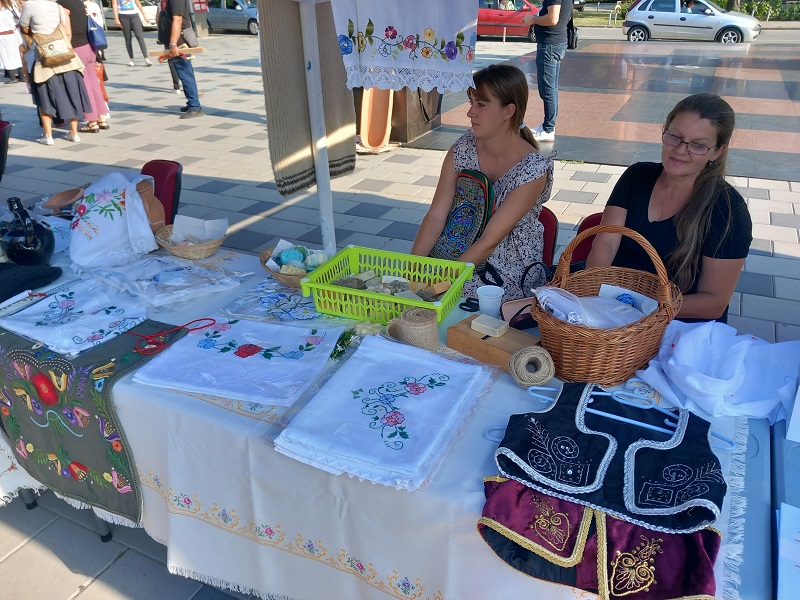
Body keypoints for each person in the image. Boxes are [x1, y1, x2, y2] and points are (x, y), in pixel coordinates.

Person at [585, 93, 752, 324]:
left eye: (698, 145)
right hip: (613, 312)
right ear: (664, 131)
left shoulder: (728, 209)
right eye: (675, 137)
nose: (681, 150)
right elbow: (605, 243)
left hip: (678, 326)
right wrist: (596, 295)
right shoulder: (637, 176)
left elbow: (713, 304)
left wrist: (639, 306)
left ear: (717, 151)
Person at [411, 64, 554, 302]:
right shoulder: (463, 148)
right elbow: (436, 216)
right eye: (471, 103)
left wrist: (439, 283)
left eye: (481, 105)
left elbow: (490, 241)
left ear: (508, 111)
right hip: (458, 251)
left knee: (443, 303)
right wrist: (411, 270)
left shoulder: (533, 170)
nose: (470, 113)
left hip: (508, 270)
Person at [19, 0, 92, 145]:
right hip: (65, 57)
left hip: (43, 58)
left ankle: (48, 136)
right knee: (72, 94)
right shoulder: (58, 7)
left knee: (44, 97)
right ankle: (74, 132)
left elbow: (23, 27)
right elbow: (67, 32)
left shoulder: (30, 5)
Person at [522, 0, 572, 143]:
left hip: (550, 45)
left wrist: (533, 19)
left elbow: (552, 18)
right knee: (551, 89)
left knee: (547, 90)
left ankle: (548, 129)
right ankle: (548, 126)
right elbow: (566, 16)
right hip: (557, 42)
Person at [57, 0, 109, 132]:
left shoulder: (62, 4)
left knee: (85, 85)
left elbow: (67, 30)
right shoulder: (79, 2)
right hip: (89, 46)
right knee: (94, 83)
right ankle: (101, 117)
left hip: (77, 47)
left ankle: (92, 121)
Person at [158, 0, 202, 118]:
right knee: (183, 73)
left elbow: (178, 19)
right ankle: (192, 102)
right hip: (174, 41)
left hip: (179, 42)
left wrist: (173, 44)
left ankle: (195, 107)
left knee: (185, 74)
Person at [112, 0, 151, 67]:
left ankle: (146, 58)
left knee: (139, 36)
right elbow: (114, 5)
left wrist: (144, 15)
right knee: (128, 38)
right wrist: (116, 18)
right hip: (123, 15)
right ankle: (131, 59)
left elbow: (137, 2)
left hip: (134, 15)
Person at [1, 0, 24, 83]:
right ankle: (17, 76)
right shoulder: (8, 10)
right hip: (10, 34)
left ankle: (15, 77)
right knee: (11, 55)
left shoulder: (8, 10)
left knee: (9, 56)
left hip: (8, 35)